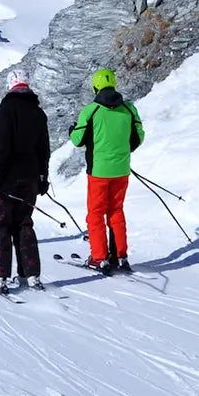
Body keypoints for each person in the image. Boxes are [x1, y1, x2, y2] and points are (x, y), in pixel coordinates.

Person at [69, 69, 144, 273]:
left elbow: (77, 140)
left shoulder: (91, 110)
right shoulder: (129, 109)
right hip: (121, 170)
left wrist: (72, 130)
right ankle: (120, 255)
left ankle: (99, 257)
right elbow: (138, 137)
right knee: (116, 211)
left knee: (96, 214)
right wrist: (122, 151)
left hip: (99, 172)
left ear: (95, 87)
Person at [0, 68, 50, 292]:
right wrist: (43, 177)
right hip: (30, 177)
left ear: (11, 84)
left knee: (0, 224)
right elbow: (44, 150)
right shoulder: (38, 113)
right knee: (24, 223)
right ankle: (30, 274)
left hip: (7, 178)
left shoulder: (5, 110)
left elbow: (1, 146)